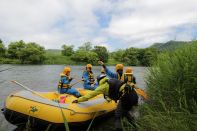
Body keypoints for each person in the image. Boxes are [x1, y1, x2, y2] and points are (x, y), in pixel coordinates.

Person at [72, 74, 138, 131]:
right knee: (125, 111)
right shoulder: (112, 80)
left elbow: (89, 96)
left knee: (117, 116)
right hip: (134, 95)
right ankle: (136, 126)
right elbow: (116, 90)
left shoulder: (101, 87)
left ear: (98, 80)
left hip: (126, 97)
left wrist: (78, 100)